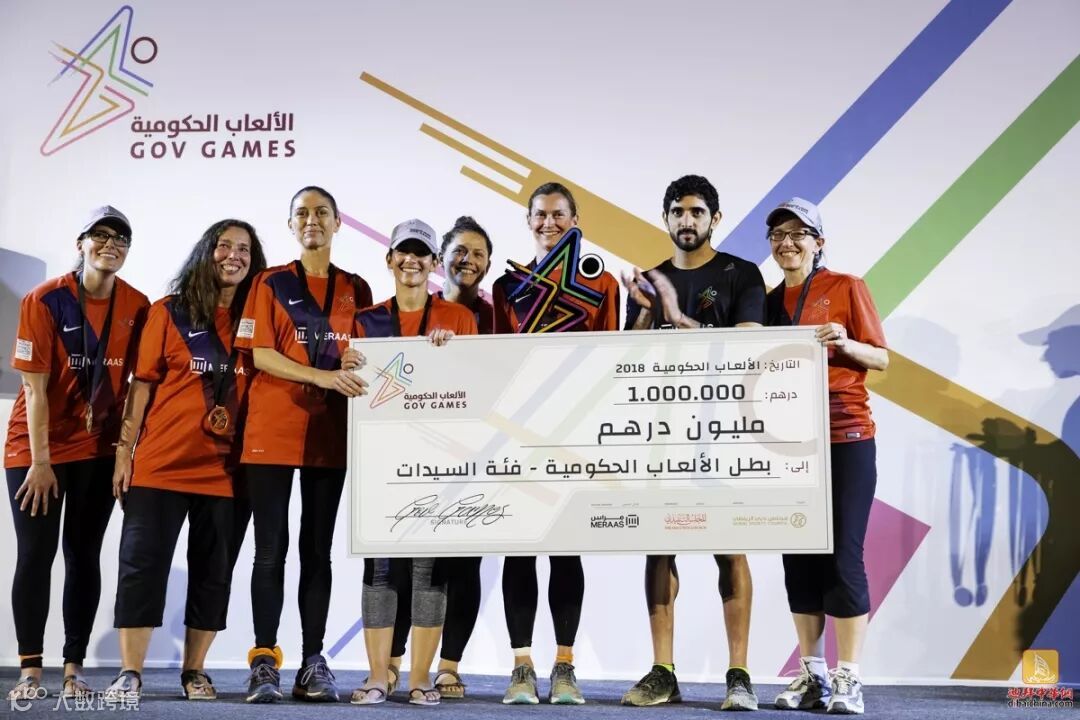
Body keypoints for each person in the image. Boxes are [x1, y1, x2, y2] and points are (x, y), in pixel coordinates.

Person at [104, 220, 266, 700]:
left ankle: (195, 671)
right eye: (224, 246)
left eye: (244, 249)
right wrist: (124, 452)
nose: (233, 255)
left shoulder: (260, 319)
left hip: (229, 473)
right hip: (160, 466)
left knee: (214, 575)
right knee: (141, 569)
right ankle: (130, 672)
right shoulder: (168, 312)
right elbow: (141, 386)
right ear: (205, 252)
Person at [620, 175, 765, 711]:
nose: (687, 220)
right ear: (665, 218)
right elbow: (627, 357)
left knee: (730, 546)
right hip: (660, 434)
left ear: (714, 219)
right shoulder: (650, 279)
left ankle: (739, 675)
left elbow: (752, 340)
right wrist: (642, 310)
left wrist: (682, 325)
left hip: (724, 431)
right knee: (659, 545)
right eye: (677, 211)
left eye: (697, 211)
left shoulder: (741, 273)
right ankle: (664, 671)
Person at [5, 207, 149, 700]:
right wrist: (42, 462)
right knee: (35, 555)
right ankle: (29, 670)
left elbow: (138, 385)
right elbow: (34, 390)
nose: (111, 245)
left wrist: (125, 451)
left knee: (84, 555)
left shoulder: (137, 305)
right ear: (80, 243)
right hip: (35, 449)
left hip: (96, 449)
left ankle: (73, 668)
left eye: (121, 238)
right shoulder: (45, 299)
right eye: (100, 235)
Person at [236, 186, 372, 703]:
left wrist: (358, 361)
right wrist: (321, 375)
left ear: (338, 223)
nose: (311, 220)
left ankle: (313, 660)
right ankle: (264, 661)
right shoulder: (268, 282)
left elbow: (373, 347)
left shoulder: (356, 288)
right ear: (291, 225)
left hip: (329, 434)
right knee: (270, 549)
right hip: (271, 431)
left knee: (318, 551)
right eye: (302, 213)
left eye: (322, 212)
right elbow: (261, 353)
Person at [492, 182, 620, 705]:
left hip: (574, 432)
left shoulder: (601, 281)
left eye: (558, 214)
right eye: (540, 215)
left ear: (575, 219)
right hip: (519, 433)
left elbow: (610, 355)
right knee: (520, 549)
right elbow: (495, 359)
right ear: (529, 222)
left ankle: (565, 666)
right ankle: (521, 667)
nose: (549, 223)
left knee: (566, 549)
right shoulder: (508, 286)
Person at [764, 198, 888, 715]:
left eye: (798, 233)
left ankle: (849, 676)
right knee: (799, 557)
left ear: (818, 242)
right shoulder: (769, 302)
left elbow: (881, 358)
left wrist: (845, 342)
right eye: (778, 235)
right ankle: (812, 673)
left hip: (846, 436)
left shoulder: (847, 286)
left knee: (843, 557)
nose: (787, 243)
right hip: (790, 441)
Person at [349, 219, 478, 706]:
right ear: (389, 259)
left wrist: (452, 356)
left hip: (438, 463)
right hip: (380, 460)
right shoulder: (366, 321)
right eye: (403, 251)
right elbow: (354, 385)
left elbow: (475, 386)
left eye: (421, 253)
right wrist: (346, 365)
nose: (412, 261)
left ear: (434, 263)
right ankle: (377, 676)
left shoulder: (458, 318)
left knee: (429, 571)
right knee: (381, 569)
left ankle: (420, 677)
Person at [385, 216, 495, 699]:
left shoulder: (494, 313)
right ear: (440, 260)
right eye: (459, 251)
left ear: (488, 264)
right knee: (404, 563)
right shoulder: (405, 309)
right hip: (410, 454)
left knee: (462, 562)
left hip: (474, 451)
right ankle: (393, 662)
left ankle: (448, 665)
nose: (467, 260)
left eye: (478, 253)